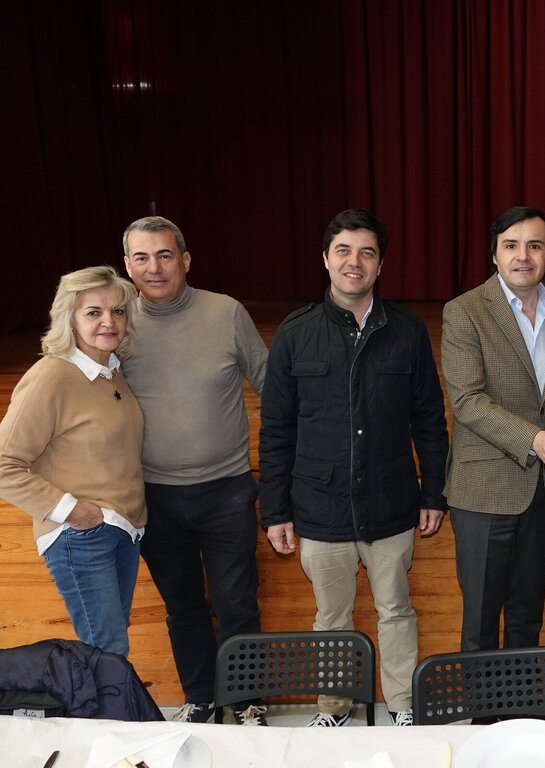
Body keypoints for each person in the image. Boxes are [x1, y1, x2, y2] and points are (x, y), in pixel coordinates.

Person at [259, 208, 448, 728]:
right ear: (325, 259)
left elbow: (430, 420)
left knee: (396, 611)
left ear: (380, 264)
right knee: (331, 619)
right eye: (343, 250)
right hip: (319, 506)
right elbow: (276, 430)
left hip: (391, 502)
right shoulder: (295, 334)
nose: (354, 262)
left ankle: (404, 706)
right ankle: (333, 709)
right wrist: (274, 509)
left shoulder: (407, 331)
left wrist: (433, 493)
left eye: (366, 252)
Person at [121, 216, 269, 725]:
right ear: (127, 266)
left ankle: (246, 698)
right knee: (182, 605)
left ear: (185, 260)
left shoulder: (226, 312)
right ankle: (201, 698)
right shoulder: (114, 322)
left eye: (164, 255)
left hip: (227, 489)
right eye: (141, 257)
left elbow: (273, 385)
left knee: (236, 602)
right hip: (153, 495)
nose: (154, 267)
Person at [441, 205, 545, 656]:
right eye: (511, 245)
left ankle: (522, 714)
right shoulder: (464, 311)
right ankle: (484, 721)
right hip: (483, 489)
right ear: (494, 255)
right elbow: (467, 401)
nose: (523, 255)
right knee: (481, 619)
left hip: (543, 489)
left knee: (528, 614)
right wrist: (538, 443)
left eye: (535, 245)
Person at [0, 266, 144, 657]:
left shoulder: (112, 372)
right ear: (70, 318)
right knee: (106, 650)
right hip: (81, 535)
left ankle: (113, 716)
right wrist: (71, 511)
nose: (108, 322)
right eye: (93, 312)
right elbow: (4, 464)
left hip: (121, 529)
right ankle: (109, 719)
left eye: (117, 311)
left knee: (109, 649)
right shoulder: (52, 376)